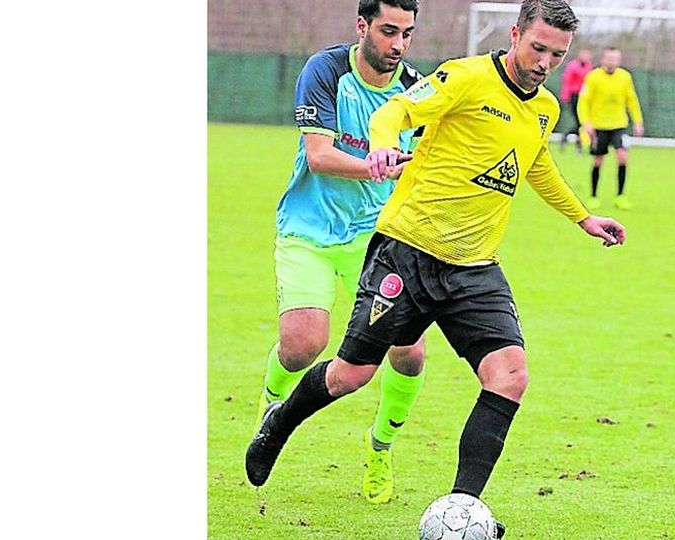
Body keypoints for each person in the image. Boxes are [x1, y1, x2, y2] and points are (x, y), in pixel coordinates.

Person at [245, 0, 626, 535]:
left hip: (475, 267)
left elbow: (536, 162)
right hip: (409, 250)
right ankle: (278, 422)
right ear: (515, 33)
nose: (544, 62)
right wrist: (379, 149)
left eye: (556, 55)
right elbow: (394, 112)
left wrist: (582, 217)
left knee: (509, 377)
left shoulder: (544, 108)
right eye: (537, 47)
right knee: (352, 374)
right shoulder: (463, 77)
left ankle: (462, 509)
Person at [254, 0, 427, 505]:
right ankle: (271, 409)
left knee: (410, 353)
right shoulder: (325, 70)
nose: (398, 45)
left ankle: (380, 448)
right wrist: (380, 166)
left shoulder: (415, 89)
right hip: (308, 228)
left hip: (376, 237)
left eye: (408, 34)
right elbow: (319, 155)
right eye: (389, 31)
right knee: (304, 345)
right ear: (362, 26)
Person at [577, 46, 644, 210]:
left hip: (619, 125)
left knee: (622, 157)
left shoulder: (625, 77)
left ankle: (620, 196)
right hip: (599, 126)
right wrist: (586, 123)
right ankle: (593, 196)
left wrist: (638, 121)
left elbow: (631, 100)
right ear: (603, 59)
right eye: (610, 58)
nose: (613, 62)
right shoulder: (593, 77)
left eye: (616, 59)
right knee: (598, 160)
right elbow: (583, 101)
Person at [558, 48, 592, 153]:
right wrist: (565, 96)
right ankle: (576, 144)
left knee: (581, 123)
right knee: (579, 122)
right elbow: (566, 81)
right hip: (574, 96)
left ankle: (569, 139)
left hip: (584, 96)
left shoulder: (589, 67)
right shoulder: (573, 66)